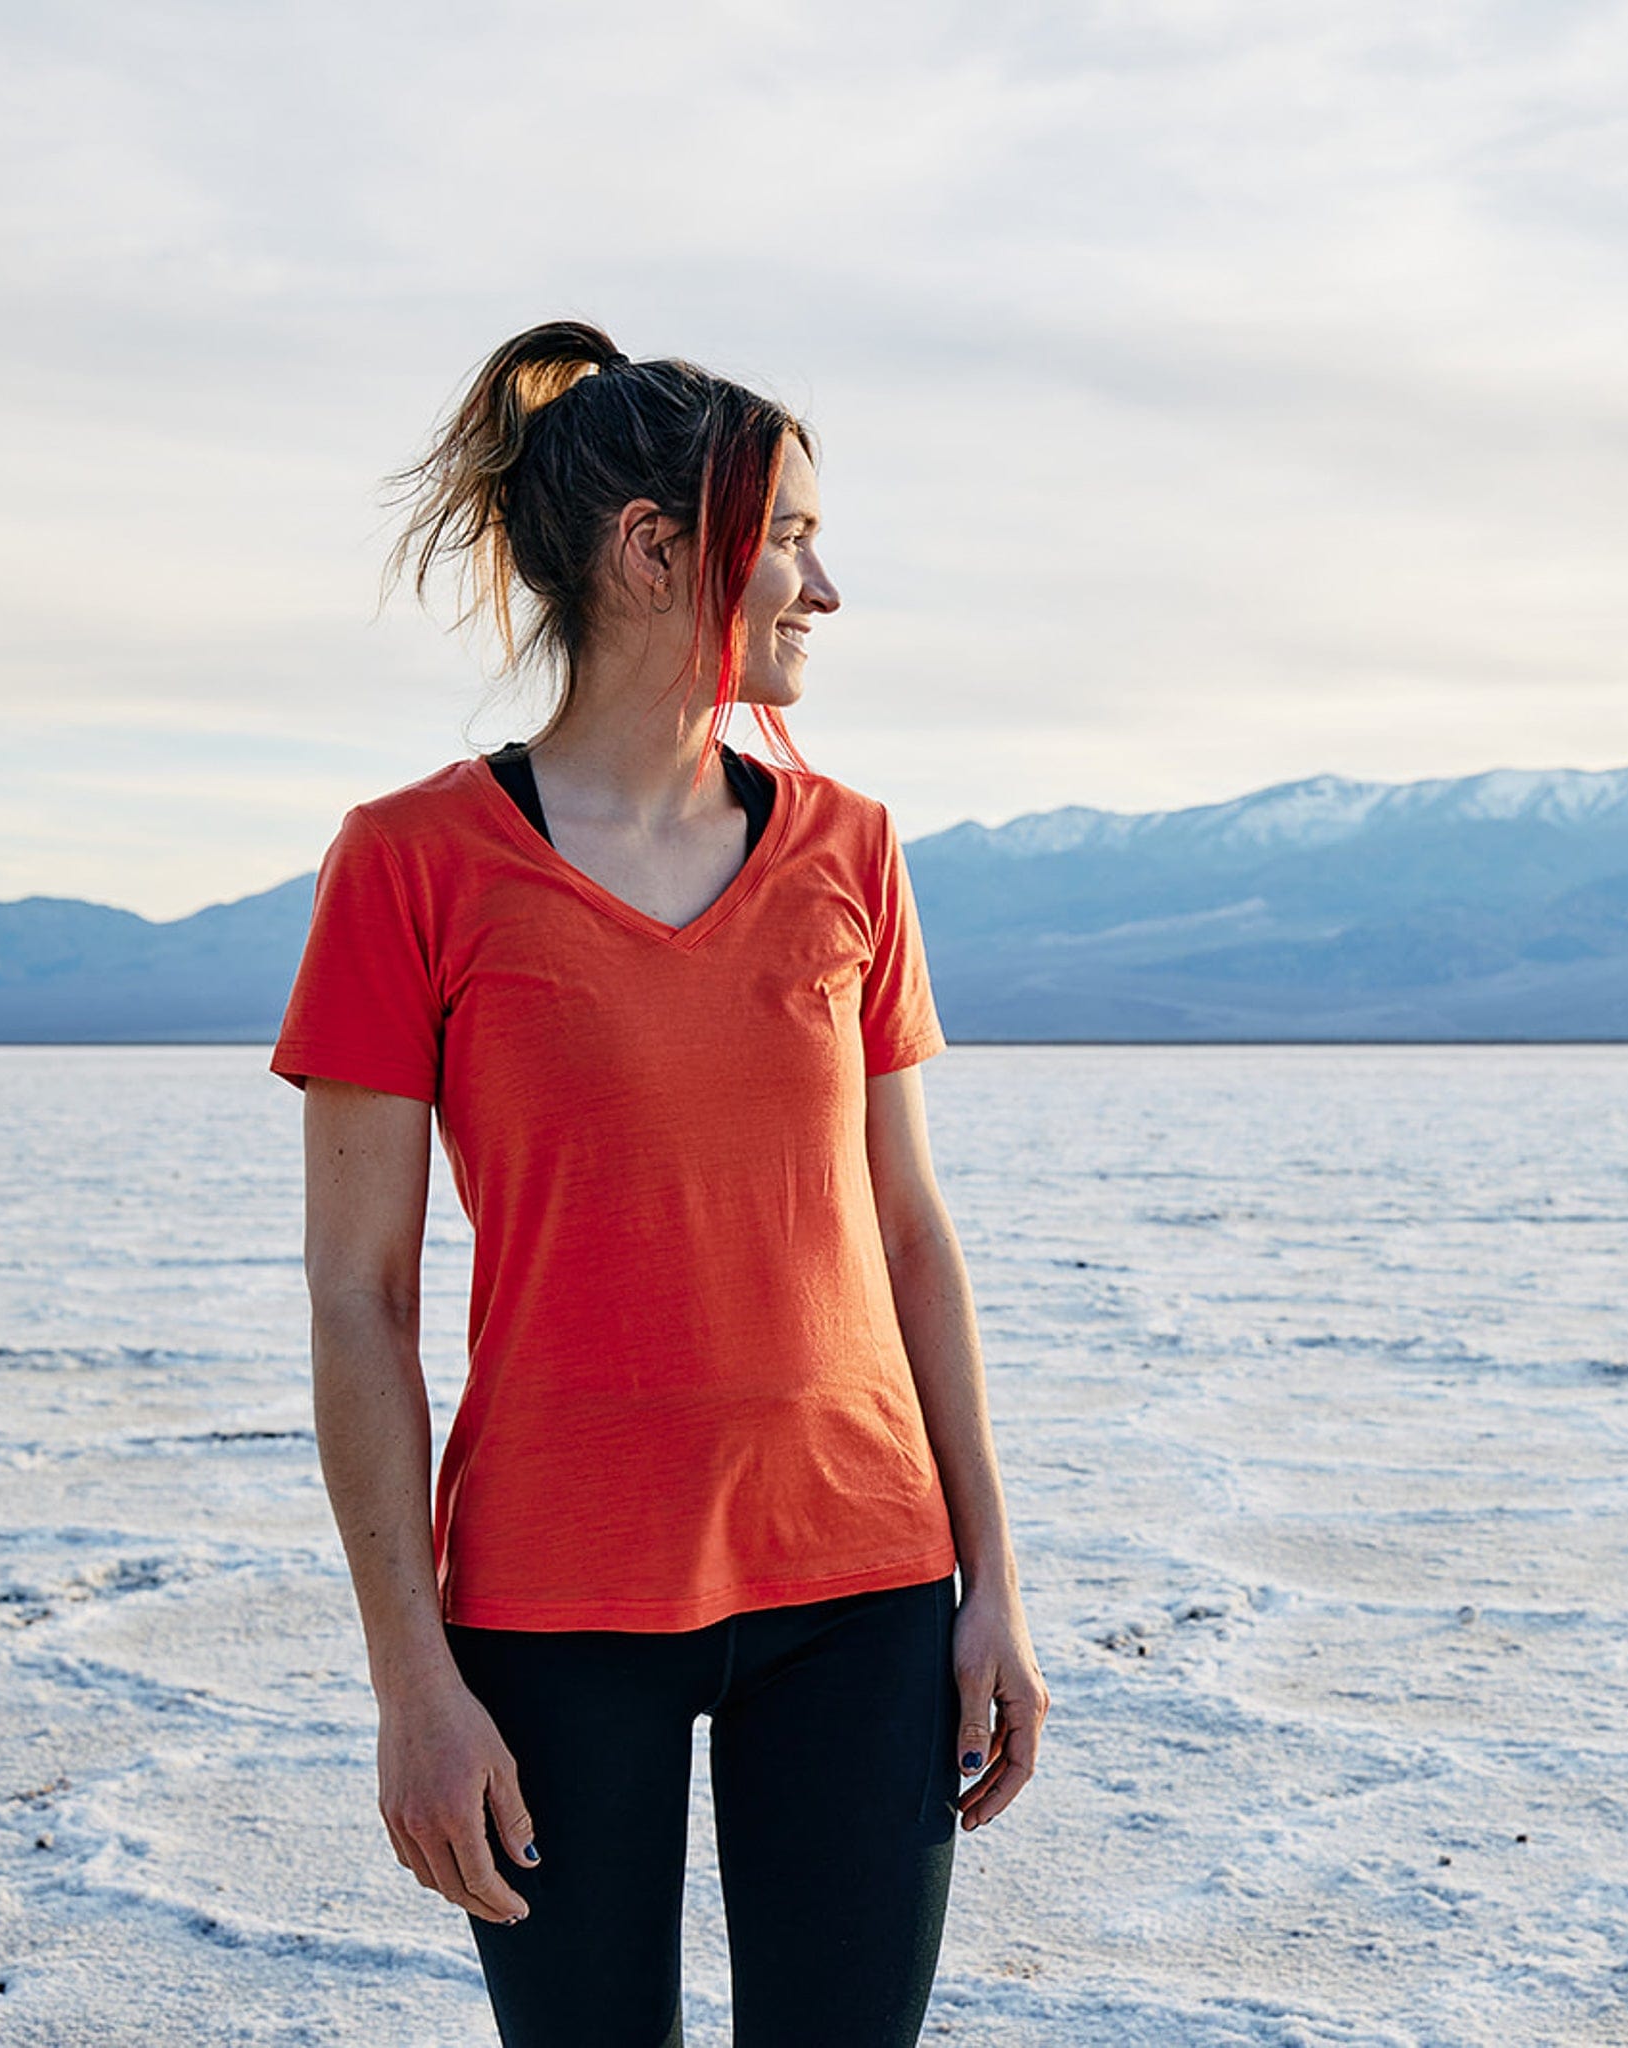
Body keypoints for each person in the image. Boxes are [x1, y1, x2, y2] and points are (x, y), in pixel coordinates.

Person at [271, 319, 1048, 2047]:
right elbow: (359, 1296)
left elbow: (910, 1234)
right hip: (552, 1606)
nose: (821, 587)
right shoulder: (409, 865)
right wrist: (412, 1680)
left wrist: (992, 1576)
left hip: (861, 1585)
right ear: (653, 551)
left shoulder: (851, 847)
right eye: (786, 536)